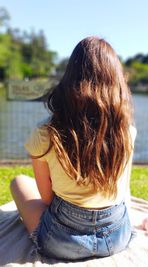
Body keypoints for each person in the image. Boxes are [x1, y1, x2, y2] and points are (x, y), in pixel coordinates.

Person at [10, 36, 137, 261]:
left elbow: (48, 200)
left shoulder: (46, 133)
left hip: (61, 241)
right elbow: (123, 191)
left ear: (70, 79)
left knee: (19, 182)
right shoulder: (126, 132)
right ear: (116, 82)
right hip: (117, 236)